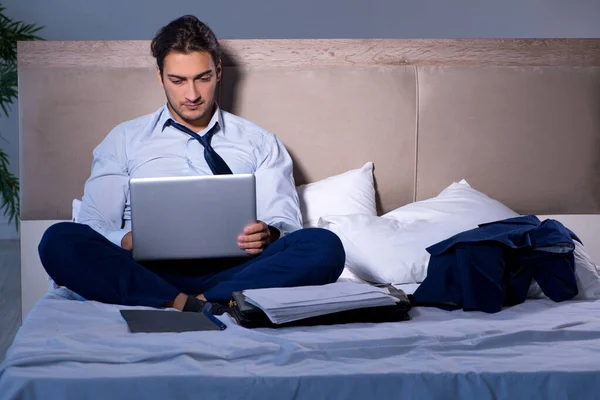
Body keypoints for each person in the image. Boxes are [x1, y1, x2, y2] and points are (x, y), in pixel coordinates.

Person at [38, 15, 345, 315]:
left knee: (324, 246)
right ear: (160, 77)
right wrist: (126, 239)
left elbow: (286, 224)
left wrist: (269, 233)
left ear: (219, 71)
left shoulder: (260, 141)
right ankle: (186, 299)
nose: (193, 95)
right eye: (178, 81)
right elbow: (92, 225)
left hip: (237, 268)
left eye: (203, 78)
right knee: (58, 240)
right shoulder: (123, 139)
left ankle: (194, 299)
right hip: (145, 268)